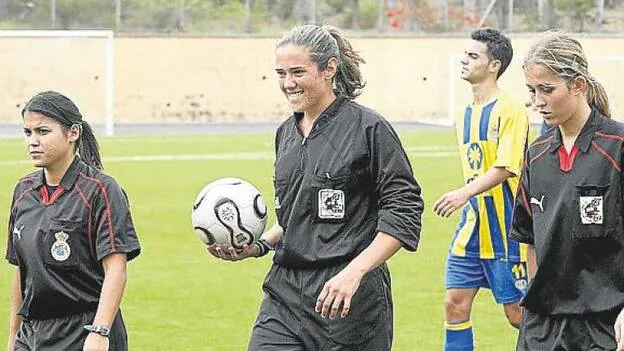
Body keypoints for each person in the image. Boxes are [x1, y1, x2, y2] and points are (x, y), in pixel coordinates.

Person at [207, 24, 424, 351]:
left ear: (329, 68)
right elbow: (297, 212)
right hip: (286, 295)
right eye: (280, 73)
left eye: (297, 72)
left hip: (349, 302)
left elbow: (404, 210)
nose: (287, 83)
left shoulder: (369, 129)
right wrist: (258, 245)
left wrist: (355, 273)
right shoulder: (286, 134)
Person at [511, 31, 624, 351]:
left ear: (578, 85)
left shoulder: (617, 147)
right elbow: (529, 236)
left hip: (604, 325)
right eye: (532, 90)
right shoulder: (536, 154)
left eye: (547, 89)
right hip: (541, 328)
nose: (538, 101)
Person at [6, 91, 141, 351]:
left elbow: (116, 270)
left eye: (43, 132)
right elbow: (21, 274)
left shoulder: (101, 190)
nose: (33, 141)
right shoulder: (22, 192)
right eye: (27, 133)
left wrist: (100, 331)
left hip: (83, 332)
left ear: (73, 133)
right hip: (32, 335)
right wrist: (13, 338)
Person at [432, 28, 529, 351]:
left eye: (473, 56)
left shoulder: (511, 109)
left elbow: (507, 166)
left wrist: (464, 193)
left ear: (494, 66)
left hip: (507, 230)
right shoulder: (464, 114)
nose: (464, 59)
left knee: (518, 315)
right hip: (472, 229)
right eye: (466, 53)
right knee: (454, 303)